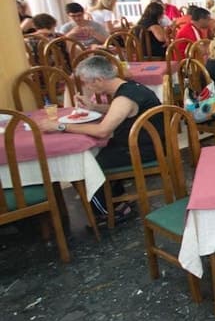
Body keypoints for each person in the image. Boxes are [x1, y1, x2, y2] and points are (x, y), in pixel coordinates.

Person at [39, 54, 163, 225]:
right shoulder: (131, 87)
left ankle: (108, 212)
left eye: (86, 83)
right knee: (101, 153)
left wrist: (60, 126)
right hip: (148, 144)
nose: (86, 87)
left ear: (98, 80)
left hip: (141, 150)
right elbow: (120, 110)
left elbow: (102, 131)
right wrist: (94, 107)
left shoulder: (124, 98)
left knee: (86, 166)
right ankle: (117, 200)